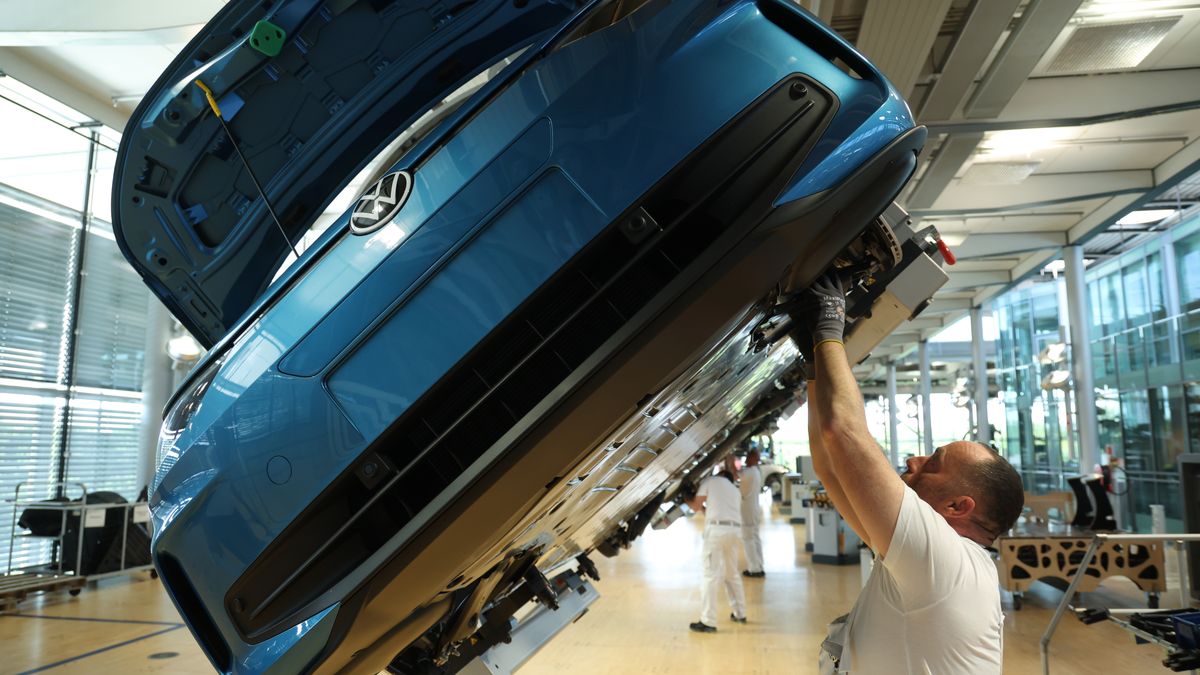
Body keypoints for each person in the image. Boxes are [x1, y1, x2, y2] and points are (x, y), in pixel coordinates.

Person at [799, 273, 1024, 674]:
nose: (914, 461)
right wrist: (815, 360)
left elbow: (844, 433)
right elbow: (830, 466)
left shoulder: (943, 562)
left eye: (933, 464)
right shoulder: (929, 558)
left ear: (958, 506)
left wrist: (830, 325)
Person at [685, 462, 748, 632]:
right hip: (734, 531)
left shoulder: (711, 481)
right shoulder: (735, 491)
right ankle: (740, 613)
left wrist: (685, 497)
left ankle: (708, 621)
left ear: (720, 475)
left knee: (710, 575)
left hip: (716, 533)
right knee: (731, 573)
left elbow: (696, 506)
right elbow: (713, 509)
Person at [739, 449, 765, 577]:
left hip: (747, 510)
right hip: (752, 509)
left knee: (748, 538)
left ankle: (754, 569)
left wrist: (729, 459)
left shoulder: (749, 473)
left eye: (749, 456)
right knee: (754, 537)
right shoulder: (755, 472)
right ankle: (759, 565)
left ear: (754, 458)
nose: (746, 459)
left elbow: (734, 475)